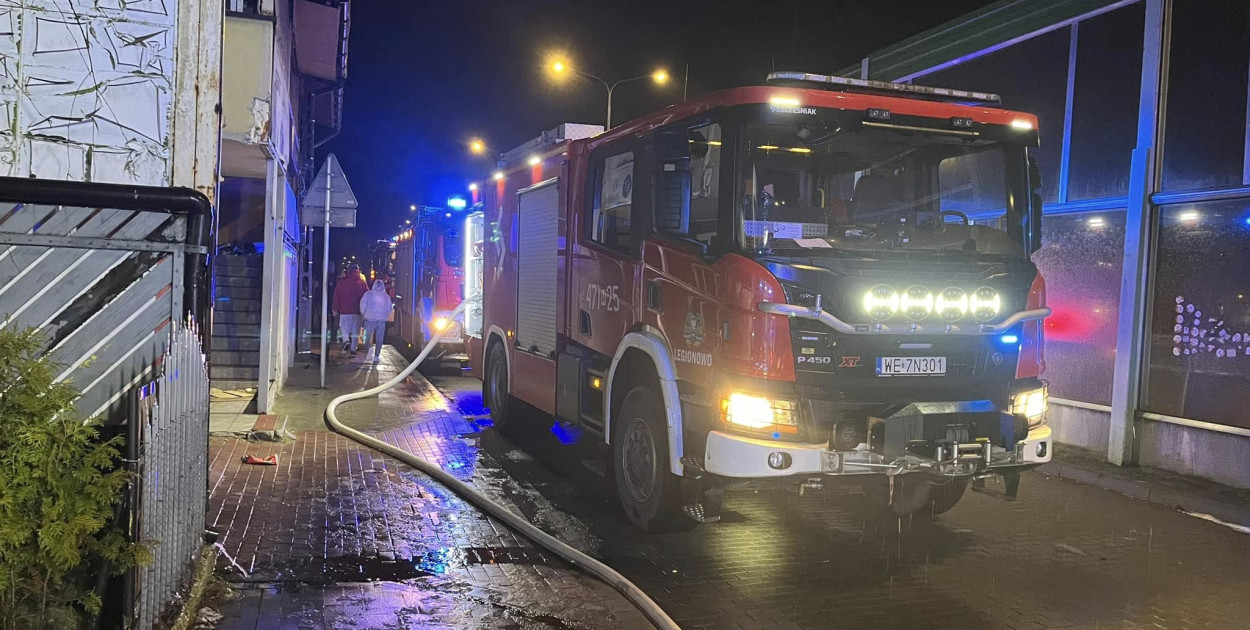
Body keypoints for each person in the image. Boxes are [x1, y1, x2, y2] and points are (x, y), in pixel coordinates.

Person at [331, 263, 368, 356]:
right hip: (358, 311)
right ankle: (353, 350)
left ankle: (346, 341)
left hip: (344, 311)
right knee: (356, 331)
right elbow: (367, 296)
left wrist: (335, 308)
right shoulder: (362, 283)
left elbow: (337, 296)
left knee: (344, 328)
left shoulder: (342, 282)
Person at [359, 280, 393, 364]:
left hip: (369, 319)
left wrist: (364, 313)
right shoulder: (386, 296)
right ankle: (376, 356)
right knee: (379, 339)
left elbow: (362, 305)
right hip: (381, 321)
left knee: (366, 337)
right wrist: (385, 315)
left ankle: (366, 349)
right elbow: (389, 308)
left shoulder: (368, 294)